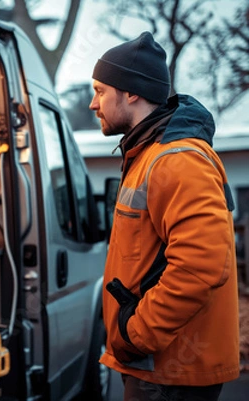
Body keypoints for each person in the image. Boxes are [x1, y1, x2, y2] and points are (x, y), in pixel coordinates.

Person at [89, 31, 240, 401]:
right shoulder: (150, 155)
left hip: (169, 373)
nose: (94, 104)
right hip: (160, 368)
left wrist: (137, 335)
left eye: (100, 91)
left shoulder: (176, 160)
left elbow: (202, 264)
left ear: (131, 92)